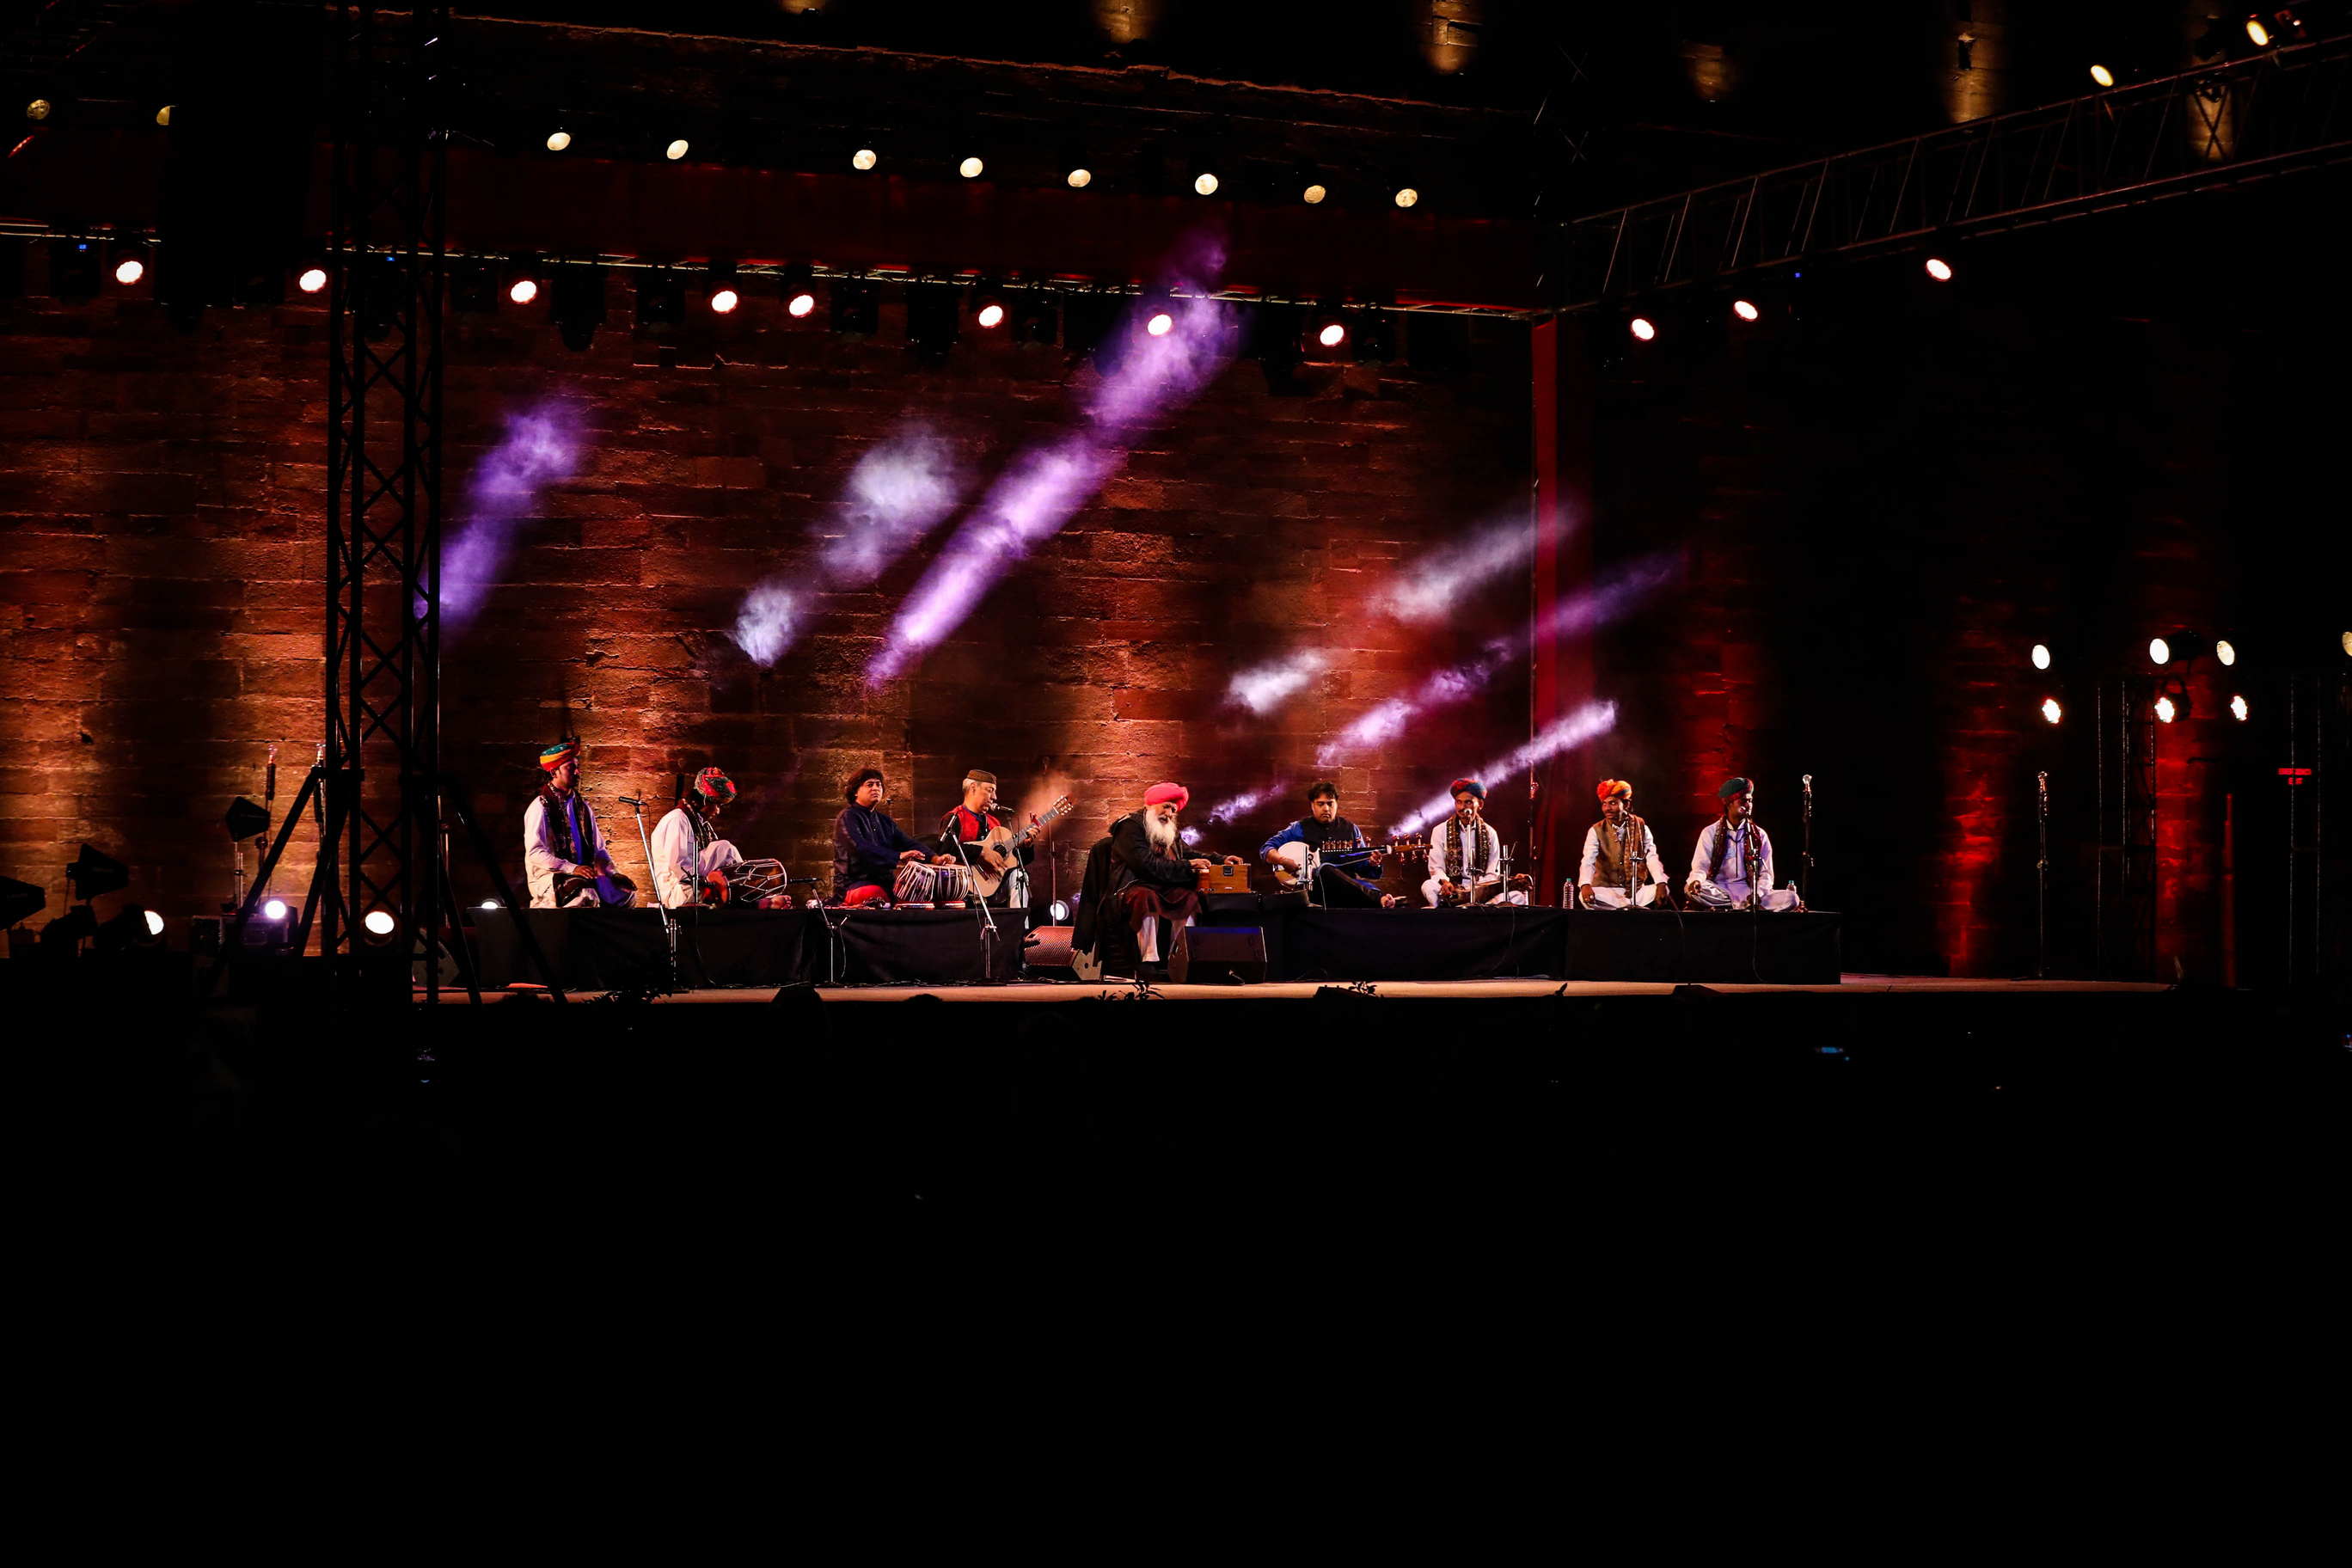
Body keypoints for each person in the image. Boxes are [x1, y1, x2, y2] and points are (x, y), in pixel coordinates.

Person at [1081, 782, 1241, 980]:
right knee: (1145, 897)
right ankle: (1148, 960)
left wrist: (1220, 859)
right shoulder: (1130, 826)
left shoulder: (1168, 831)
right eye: (1166, 806)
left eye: (1173, 810)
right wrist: (1187, 866)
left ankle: (1180, 958)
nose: (1169, 813)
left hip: (1161, 886)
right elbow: (1145, 866)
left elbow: (1188, 853)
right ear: (1150, 805)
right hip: (1131, 887)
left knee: (1189, 899)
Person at [523, 738, 636, 908]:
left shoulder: (582, 807)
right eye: (570, 768)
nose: (577, 772)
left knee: (625, 893)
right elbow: (536, 853)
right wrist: (572, 868)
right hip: (549, 877)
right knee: (585, 894)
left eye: (577, 767)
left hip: (584, 873)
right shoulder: (540, 806)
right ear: (554, 772)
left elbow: (599, 849)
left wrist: (612, 873)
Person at [1260, 781, 1400, 909]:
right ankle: (1378, 899)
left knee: (1359, 884)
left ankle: (1380, 900)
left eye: (1330, 803)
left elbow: (1364, 870)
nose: (1326, 808)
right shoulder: (1299, 828)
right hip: (1317, 892)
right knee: (1324, 869)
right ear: (1312, 805)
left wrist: (1373, 864)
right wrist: (1283, 860)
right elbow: (1266, 848)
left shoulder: (1351, 829)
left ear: (1336, 804)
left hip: (1349, 892)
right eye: (1320, 804)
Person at [832, 768, 953, 906]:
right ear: (855, 791)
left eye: (878, 785)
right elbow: (860, 848)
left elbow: (908, 843)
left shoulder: (884, 821)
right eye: (870, 785)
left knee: (922, 895)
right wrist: (898, 856)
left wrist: (935, 858)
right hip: (854, 884)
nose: (875, 788)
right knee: (875, 894)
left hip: (885, 883)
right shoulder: (848, 817)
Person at [1687, 776, 1804, 911]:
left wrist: (1757, 894)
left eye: (1750, 801)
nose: (1748, 805)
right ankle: (1744, 908)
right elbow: (1701, 867)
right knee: (1693, 891)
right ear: (1729, 803)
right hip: (1720, 890)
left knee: (1792, 898)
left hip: (1751, 891)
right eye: (1743, 801)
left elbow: (1766, 875)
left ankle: (1740, 907)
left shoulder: (1759, 835)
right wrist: (1696, 881)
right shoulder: (1710, 832)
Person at [651, 767, 746, 909]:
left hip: (694, 887)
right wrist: (709, 883)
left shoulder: (699, 823)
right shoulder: (677, 819)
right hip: (679, 891)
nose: (718, 811)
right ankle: (747, 891)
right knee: (724, 848)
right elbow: (679, 867)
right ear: (705, 801)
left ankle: (747, 891)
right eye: (717, 804)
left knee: (726, 858)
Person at [935, 769, 1032, 908]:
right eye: (990, 790)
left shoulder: (994, 822)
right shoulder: (955, 817)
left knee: (1020, 876)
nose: (995, 797)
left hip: (994, 885)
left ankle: (1019, 920)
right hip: (965, 888)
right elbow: (945, 850)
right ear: (973, 788)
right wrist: (982, 852)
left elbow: (1013, 861)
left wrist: (1027, 846)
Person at [1422, 778, 1524, 907]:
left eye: (1468, 802)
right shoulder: (1440, 831)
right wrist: (1445, 883)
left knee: (1517, 897)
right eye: (1458, 802)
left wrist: (1477, 890)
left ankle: (1480, 908)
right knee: (1428, 886)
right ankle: (1447, 910)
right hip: (1452, 890)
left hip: (1482, 892)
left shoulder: (1490, 833)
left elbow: (1493, 873)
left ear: (1480, 804)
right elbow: (1436, 868)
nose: (1462, 807)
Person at [1577, 778, 1673, 910]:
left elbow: (1652, 857)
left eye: (1612, 803)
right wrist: (1585, 884)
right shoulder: (1595, 830)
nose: (1607, 808)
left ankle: (1624, 909)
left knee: (1663, 890)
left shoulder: (1641, 827)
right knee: (1584, 897)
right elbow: (1588, 860)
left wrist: (1661, 883)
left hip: (1636, 893)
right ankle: (1628, 910)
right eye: (1604, 804)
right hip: (1608, 892)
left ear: (1626, 804)